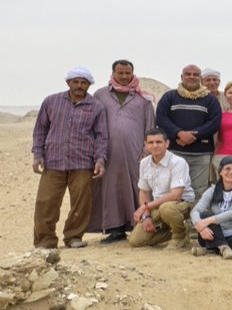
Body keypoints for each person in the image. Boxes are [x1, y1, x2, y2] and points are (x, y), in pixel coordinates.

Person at [32, 67, 108, 249]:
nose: (80, 86)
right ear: (68, 83)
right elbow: (41, 129)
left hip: (82, 162)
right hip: (53, 161)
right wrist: (37, 154)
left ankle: (74, 237)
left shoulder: (96, 107)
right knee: (46, 202)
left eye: (84, 82)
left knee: (81, 203)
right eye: (76, 81)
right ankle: (45, 240)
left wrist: (100, 159)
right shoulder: (51, 101)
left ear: (89, 85)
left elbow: (101, 136)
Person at [90, 60, 155, 244]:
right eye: (121, 73)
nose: (125, 77)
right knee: (111, 189)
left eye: (128, 73)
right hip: (108, 153)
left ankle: (138, 226)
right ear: (113, 73)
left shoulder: (143, 98)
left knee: (139, 188)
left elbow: (150, 125)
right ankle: (115, 229)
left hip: (136, 154)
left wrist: (146, 150)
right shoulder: (100, 95)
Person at [156, 64, 222, 206]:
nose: (191, 77)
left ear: (200, 78)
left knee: (199, 191)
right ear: (182, 77)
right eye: (188, 74)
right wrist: (179, 133)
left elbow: (214, 123)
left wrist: (193, 136)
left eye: (195, 74)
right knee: (173, 190)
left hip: (201, 154)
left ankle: (195, 224)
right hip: (174, 153)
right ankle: (175, 224)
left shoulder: (210, 100)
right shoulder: (170, 97)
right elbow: (161, 119)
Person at [128, 129, 196, 248]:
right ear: (145, 144)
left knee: (167, 208)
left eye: (159, 142)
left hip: (181, 204)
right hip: (157, 206)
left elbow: (176, 195)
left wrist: (146, 206)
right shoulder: (144, 163)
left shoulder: (178, 162)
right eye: (151, 142)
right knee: (135, 241)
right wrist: (147, 215)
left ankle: (179, 237)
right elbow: (143, 191)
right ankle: (182, 229)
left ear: (167, 144)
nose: (155, 146)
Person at [189, 156, 232, 259]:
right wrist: (200, 227)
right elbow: (195, 211)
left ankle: (210, 249)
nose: (231, 172)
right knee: (204, 215)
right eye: (227, 168)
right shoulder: (212, 191)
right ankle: (223, 248)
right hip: (210, 234)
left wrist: (208, 221)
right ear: (220, 172)